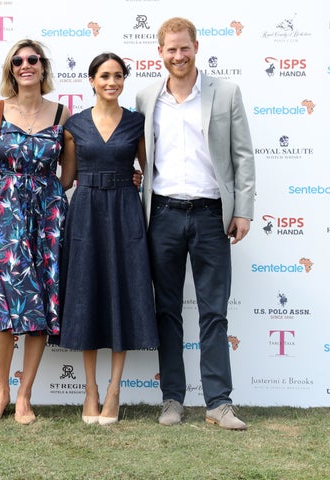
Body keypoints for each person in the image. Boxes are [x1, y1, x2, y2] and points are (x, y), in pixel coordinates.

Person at [136, 17, 255, 430]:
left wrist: (243, 210)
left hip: (210, 216)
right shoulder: (146, 97)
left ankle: (219, 402)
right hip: (163, 215)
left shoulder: (226, 93)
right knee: (166, 310)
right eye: (170, 49)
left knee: (214, 312)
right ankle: (172, 399)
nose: (178, 55)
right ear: (160, 53)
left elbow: (243, 157)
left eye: (184, 47)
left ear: (196, 47)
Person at [50, 53, 159, 426]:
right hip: (86, 215)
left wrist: (138, 180)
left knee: (123, 293)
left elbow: (149, 173)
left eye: (118, 76)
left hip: (125, 215)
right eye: (104, 76)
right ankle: (90, 390)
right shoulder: (74, 124)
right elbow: (66, 179)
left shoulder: (137, 123)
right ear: (91, 80)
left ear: (124, 80)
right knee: (87, 294)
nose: (111, 82)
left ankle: (114, 389)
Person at [0, 39, 70, 425]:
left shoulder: (62, 113)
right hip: (6, 212)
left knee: (42, 301)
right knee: (3, 301)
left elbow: (71, 171)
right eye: (18, 60)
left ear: (43, 67)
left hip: (47, 216)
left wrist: (51, 200)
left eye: (33, 59)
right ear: (10, 68)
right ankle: (1, 391)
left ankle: (25, 395)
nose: (25, 65)